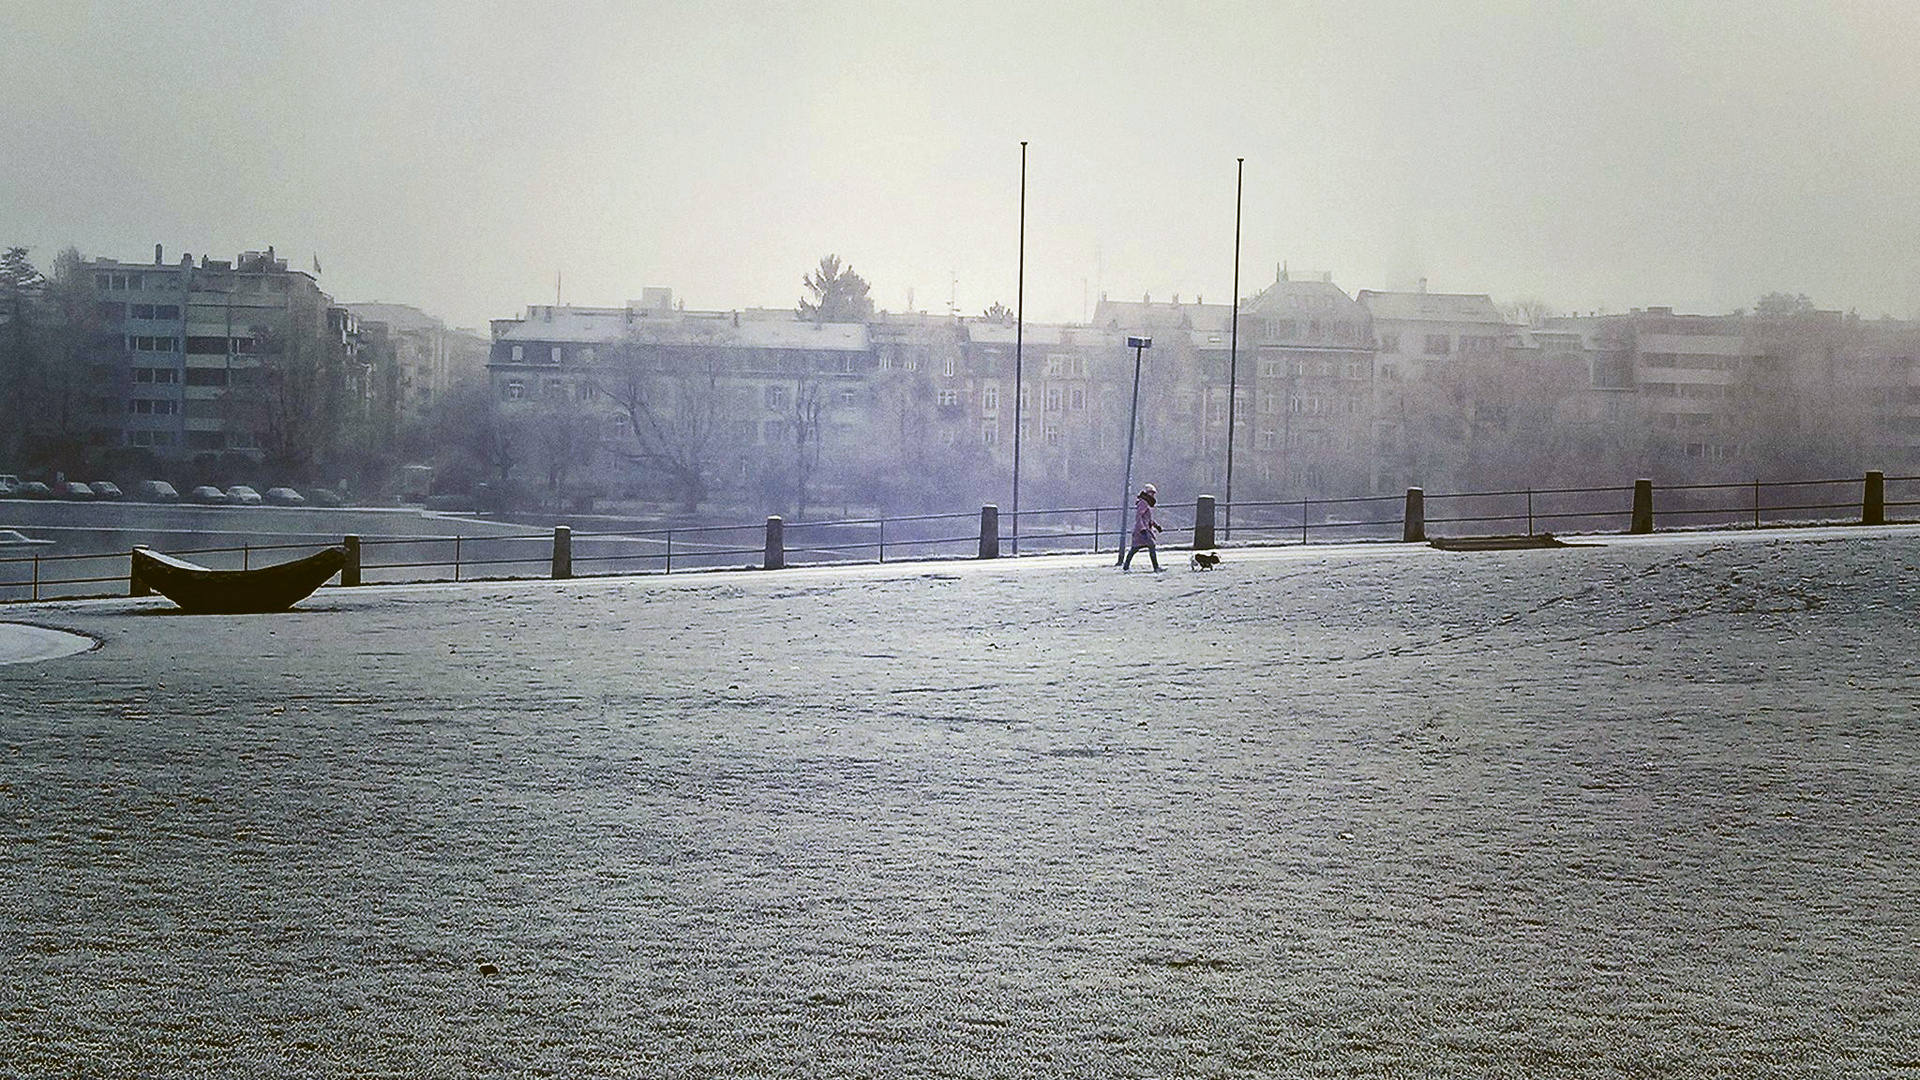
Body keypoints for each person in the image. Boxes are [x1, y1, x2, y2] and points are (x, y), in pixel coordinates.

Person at [1122, 483, 1163, 571]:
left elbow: (1148, 519)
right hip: (1142, 531)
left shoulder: (1145, 503)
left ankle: (1126, 566)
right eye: (1151, 493)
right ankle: (1156, 567)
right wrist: (1142, 529)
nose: (1152, 495)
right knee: (1147, 546)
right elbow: (1139, 516)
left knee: (1136, 548)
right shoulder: (1143, 503)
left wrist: (1156, 526)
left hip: (1143, 530)